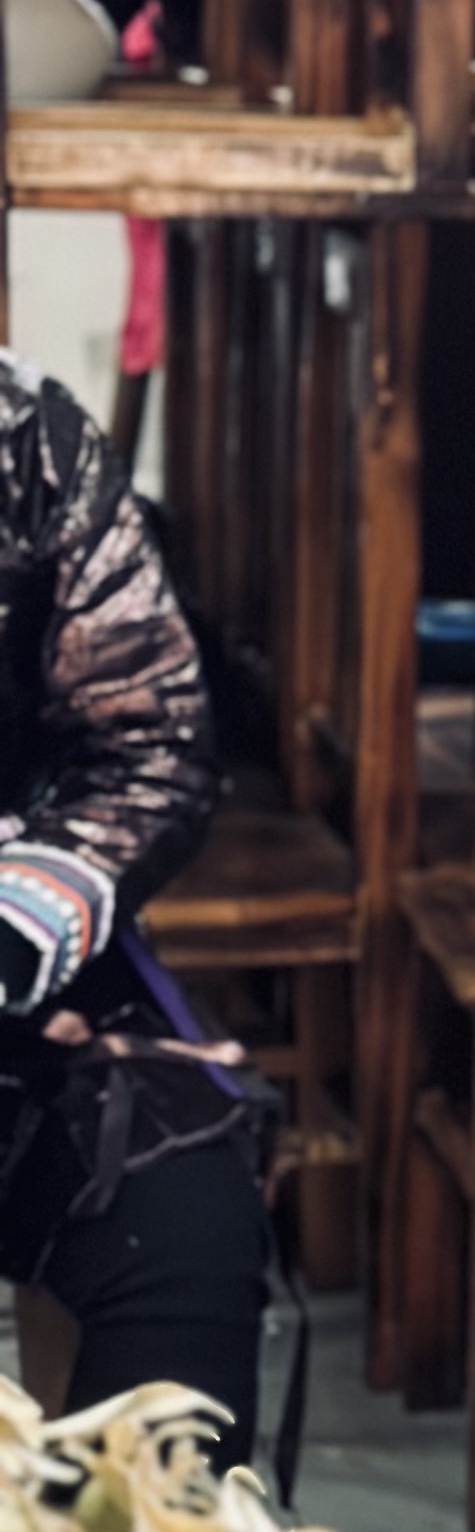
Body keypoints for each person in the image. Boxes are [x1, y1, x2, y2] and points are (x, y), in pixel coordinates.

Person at [0, 361, 270, 1447]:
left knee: (188, 1234)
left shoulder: (28, 444)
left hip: (18, 947)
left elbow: (148, 746)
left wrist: (22, 924)